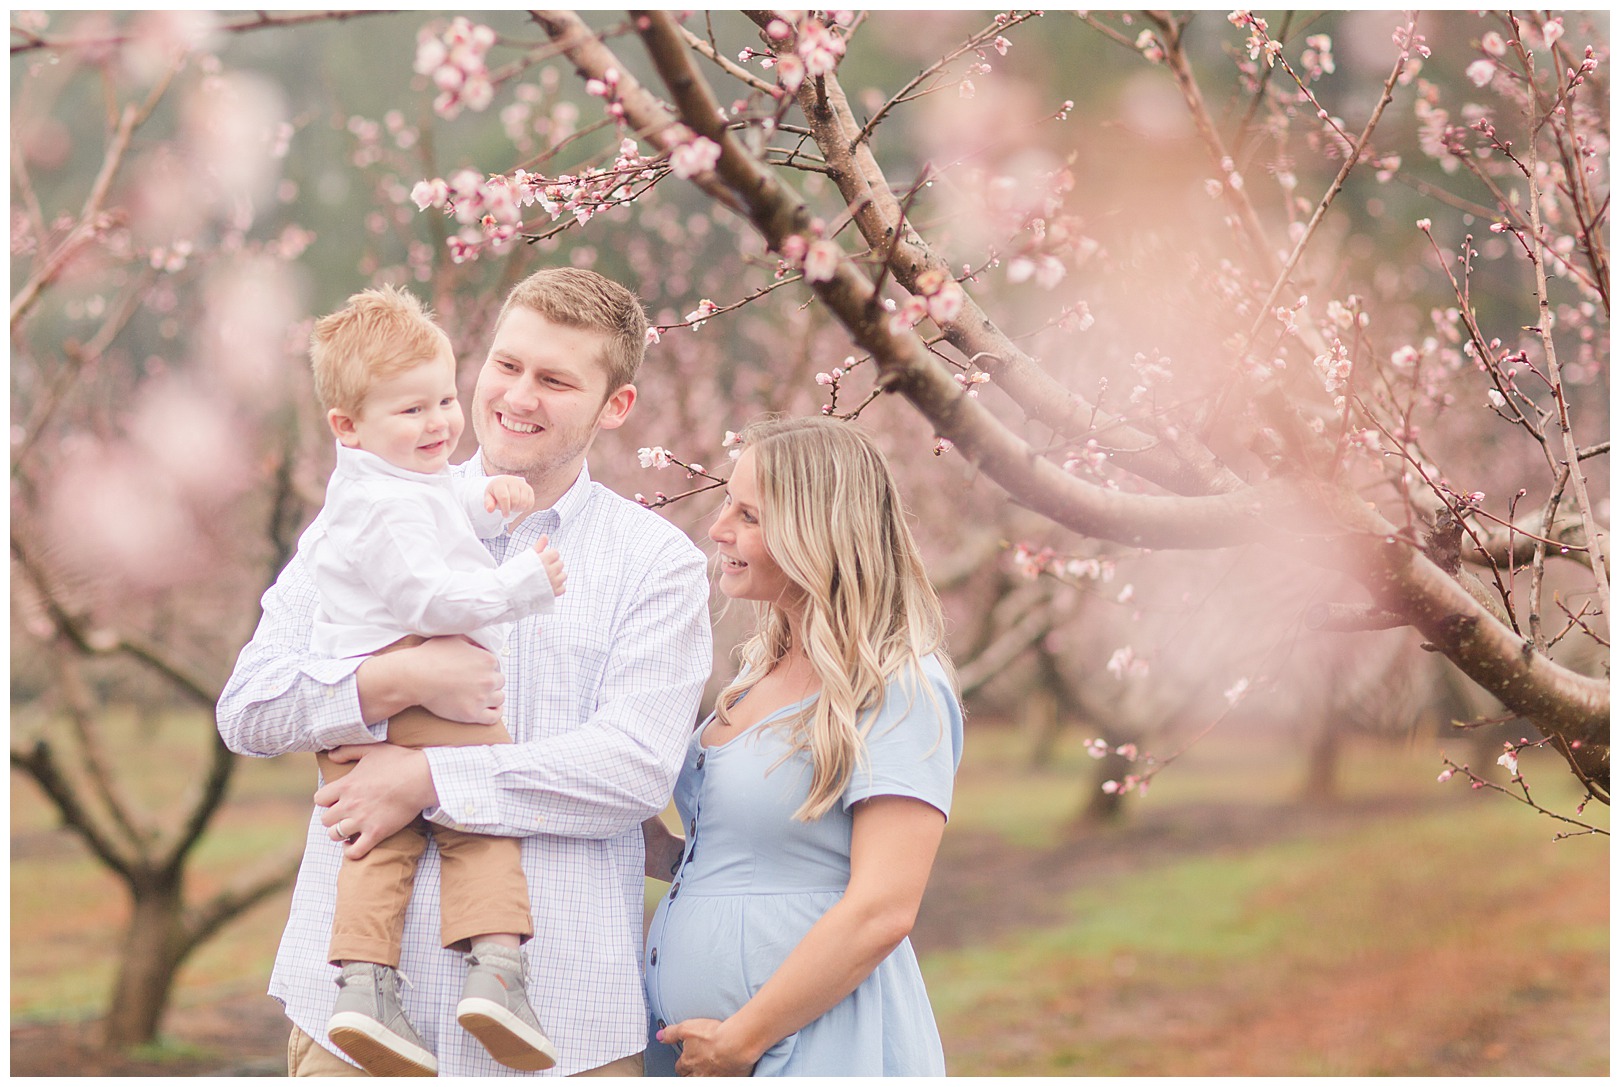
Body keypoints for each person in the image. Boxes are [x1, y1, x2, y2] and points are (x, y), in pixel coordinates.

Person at [218, 267, 712, 1077]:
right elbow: (249, 709)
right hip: (348, 1029)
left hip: (565, 1025)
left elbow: (630, 770)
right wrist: (389, 688)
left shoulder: (655, 565)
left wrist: (426, 778)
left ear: (615, 406)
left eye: (555, 380)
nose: (518, 396)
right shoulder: (363, 516)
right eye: (507, 365)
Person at [298, 285, 568, 1075]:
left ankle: (364, 984)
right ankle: (498, 972)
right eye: (413, 412)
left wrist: (486, 501)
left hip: (361, 707)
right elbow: (429, 593)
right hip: (427, 686)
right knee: (478, 822)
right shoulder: (387, 507)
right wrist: (520, 583)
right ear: (347, 426)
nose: (441, 424)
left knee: (375, 845)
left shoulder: (386, 483)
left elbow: (440, 500)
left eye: (445, 399)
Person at [640, 416, 964, 1077]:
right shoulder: (759, 672)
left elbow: (883, 907)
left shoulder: (896, 682)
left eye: (749, 514)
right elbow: (756, 861)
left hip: (813, 1045)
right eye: (727, 502)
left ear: (819, 530)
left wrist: (742, 1038)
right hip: (705, 1050)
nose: (718, 527)